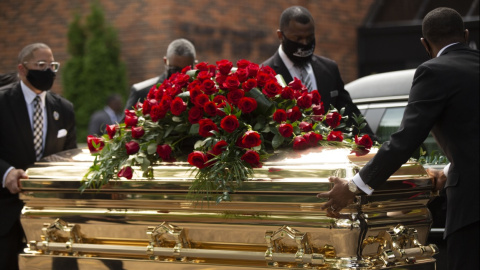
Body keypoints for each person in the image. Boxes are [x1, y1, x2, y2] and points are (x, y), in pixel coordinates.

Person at [317, 7, 478, 270]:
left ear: (425, 45)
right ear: (466, 34)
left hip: (472, 210)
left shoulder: (434, 71)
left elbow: (405, 140)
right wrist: (449, 168)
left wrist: (354, 187)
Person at [0, 43, 77, 269]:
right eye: (41, 65)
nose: (49, 71)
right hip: (5, 214)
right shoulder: (3, 102)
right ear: (22, 69)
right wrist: (6, 173)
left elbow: (68, 155)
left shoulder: (64, 108)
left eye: (52, 65)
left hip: (48, 217)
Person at [262, 6, 374, 136]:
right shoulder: (265, 74)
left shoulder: (329, 69)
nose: (304, 43)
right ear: (280, 36)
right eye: (298, 38)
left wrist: (373, 144)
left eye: (309, 38)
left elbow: (350, 113)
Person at [124, 38, 196, 110]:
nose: (180, 75)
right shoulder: (141, 92)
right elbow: (126, 121)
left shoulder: (201, 93)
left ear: (194, 65)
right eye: (175, 70)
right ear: (165, 61)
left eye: (187, 70)